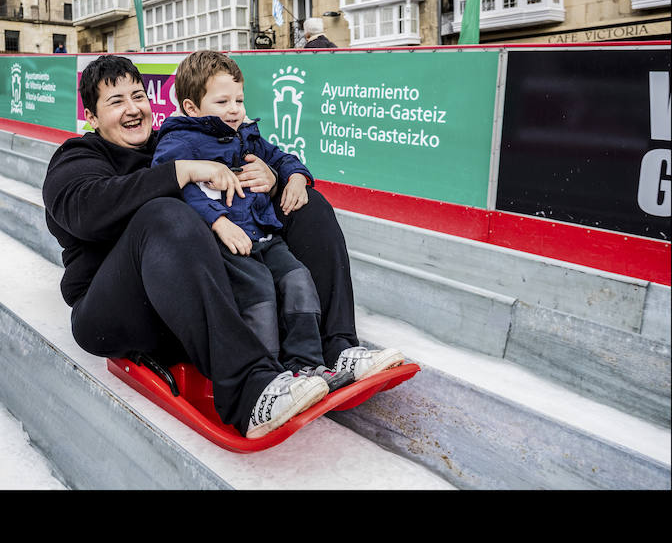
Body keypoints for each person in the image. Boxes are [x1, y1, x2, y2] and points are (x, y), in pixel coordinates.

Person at [42, 54, 402, 439]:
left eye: (139, 96)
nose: (133, 109)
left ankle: (336, 347)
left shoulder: (177, 139)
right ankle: (252, 391)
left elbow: (250, 165)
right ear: (93, 117)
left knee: (305, 203)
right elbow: (83, 209)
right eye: (116, 102)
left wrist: (274, 179)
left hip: (192, 309)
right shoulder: (80, 156)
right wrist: (183, 172)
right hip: (117, 311)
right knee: (164, 212)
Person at [151, 51, 354, 392]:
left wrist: (296, 178)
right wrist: (218, 222)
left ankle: (307, 365)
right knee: (259, 294)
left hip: (261, 235)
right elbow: (176, 188)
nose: (235, 109)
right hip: (225, 243)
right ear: (191, 107)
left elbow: (282, 157)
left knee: (297, 278)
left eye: (239, 99)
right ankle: (266, 379)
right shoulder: (180, 141)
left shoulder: (246, 135)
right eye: (222, 101)